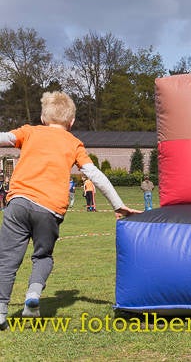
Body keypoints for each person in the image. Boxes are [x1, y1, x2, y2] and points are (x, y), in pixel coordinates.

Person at [0, 91, 139, 329]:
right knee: (42, 256)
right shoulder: (74, 143)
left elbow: (4, 137)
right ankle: (32, 295)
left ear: (43, 118)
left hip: (18, 203)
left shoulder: (29, 131)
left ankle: (1, 314)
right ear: (71, 122)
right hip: (49, 209)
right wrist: (118, 204)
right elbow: (96, 175)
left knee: (6, 261)